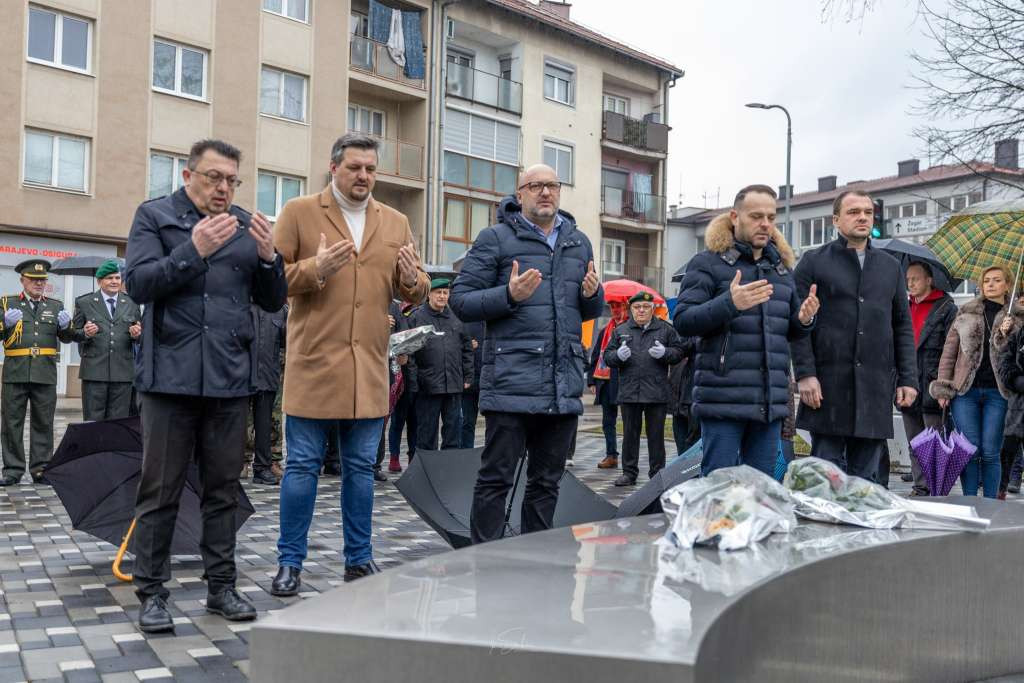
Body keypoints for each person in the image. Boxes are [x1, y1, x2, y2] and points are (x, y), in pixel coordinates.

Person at [125, 138, 287, 632]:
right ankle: (152, 592)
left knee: (223, 490)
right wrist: (192, 250)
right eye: (214, 177)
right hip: (169, 382)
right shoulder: (154, 218)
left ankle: (222, 587)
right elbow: (139, 283)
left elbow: (273, 299)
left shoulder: (244, 227)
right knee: (161, 493)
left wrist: (266, 259)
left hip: (228, 379)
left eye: (232, 180)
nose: (224, 188)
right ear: (187, 175)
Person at [270, 133, 428, 597]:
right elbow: (271, 284)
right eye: (355, 167)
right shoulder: (299, 212)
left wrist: (412, 281)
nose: (364, 176)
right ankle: (289, 562)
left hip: (368, 369)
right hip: (314, 364)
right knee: (301, 468)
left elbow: (413, 290)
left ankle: (359, 559)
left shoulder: (395, 221)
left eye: (371, 169)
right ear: (334, 167)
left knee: (361, 469)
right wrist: (314, 268)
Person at [449, 163, 603, 544]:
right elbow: (461, 301)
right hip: (512, 383)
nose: (545, 192)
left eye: (552, 185)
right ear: (520, 195)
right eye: (536, 186)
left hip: (561, 385)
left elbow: (585, 311)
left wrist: (592, 295)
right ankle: (484, 555)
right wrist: (508, 295)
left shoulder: (578, 242)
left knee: (547, 482)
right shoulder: (495, 239)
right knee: (496, 479)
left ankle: (536, 556)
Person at [676, 185, 818, 476]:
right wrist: (730, 303)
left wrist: (804, 320)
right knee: (719, 491)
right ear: (734, 217)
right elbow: (684, 320)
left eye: (770, 217)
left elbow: (790, 333)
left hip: (768, 403)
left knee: (761, 494)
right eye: (756, 216)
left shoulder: (781, 270)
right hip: (723, 402)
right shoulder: (707, 264)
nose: (765, 224)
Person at [792, 190, 916, 482]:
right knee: (825, 478)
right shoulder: (813, 262)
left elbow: (902, 325)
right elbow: (795, 325)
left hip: (874, 386)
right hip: (828, 386)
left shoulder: (890, 267)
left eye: (867, 212)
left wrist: (909, 379)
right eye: (853, 212)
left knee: (868, 481)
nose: (862, 217)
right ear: (836, 220)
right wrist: (805, 374)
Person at [930, 265, 1016, 498]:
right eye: (986, 280)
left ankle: (990, 503)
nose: (990, 284)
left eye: (997, 280)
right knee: (969, 449)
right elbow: (949, 352)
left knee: (990, 451)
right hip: (965, 392)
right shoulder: (965, 313)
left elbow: (1016, 357)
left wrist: (1009, 332)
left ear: (1007, 285)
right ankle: (970, 501)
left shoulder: (1016, 318)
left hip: (998, 393)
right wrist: (943, 387)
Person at [0, 259, 75, 486]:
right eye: (34, 280)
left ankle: (41, 468)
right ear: (23, 280)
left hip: (45, 372)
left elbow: (67, 338)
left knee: (43, 422)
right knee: (12, 423)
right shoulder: (7, 303)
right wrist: (4, 323)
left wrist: (67, 327)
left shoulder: (56, 305)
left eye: (42, 280)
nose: (39, 283)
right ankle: (12, 470)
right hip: (16, 371)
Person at [603, 291, 683, 486]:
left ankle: (657, 474)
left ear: (653, 309)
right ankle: (629, 473)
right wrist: (617, 357)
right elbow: (607, 356)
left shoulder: (665, 330)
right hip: (630, 391)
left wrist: (665, 353)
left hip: (656, 392)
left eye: (645, 307)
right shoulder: (621, 330)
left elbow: (679, 352)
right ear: (631, 309)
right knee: (630, 435)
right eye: (637, 307)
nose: (641, 311)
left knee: (656, 436)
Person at [899, 262, 957, 495]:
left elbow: (952, 349)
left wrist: (945, 386)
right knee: (914, 439)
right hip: (907, 381)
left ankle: (936, 486)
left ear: (929, 280)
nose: (910, 283)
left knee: (933, 438)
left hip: (932, 382)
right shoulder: (904, 306)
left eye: (915, 279)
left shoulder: (945, 307)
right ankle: (920, 485)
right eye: (908, 279)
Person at [71, 260, 142, 422]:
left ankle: (115, 449)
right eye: (109, 278)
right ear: (99, 281)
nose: (114, 282)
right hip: (94, 372)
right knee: (92, 420)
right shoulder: (84, 302)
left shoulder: (132, 302)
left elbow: (140, 336)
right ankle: (93, 448)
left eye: (117, 278)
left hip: (123, 373)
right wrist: (85, 334)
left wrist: (137, 335)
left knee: (119, 421)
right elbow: (73, 333)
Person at [406, 278, 473, 451]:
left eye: (445, 293)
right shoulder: (417, 317)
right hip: (427, 385)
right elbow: (410, 353)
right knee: (426, 434)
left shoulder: (456, 318)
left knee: (453, 433)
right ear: (429, 294)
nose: (442, 296)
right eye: (438, 292)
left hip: (453, 384)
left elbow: (466, 348)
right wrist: (414, 382)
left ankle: (448, 472)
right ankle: (426, 470)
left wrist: (468, 375)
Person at [247, 303, 287, 485]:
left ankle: (262, 467)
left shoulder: (279, 310)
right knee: (234, 424)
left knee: (264, 425)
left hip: (267, 375)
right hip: (239, 376)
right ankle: (231, 465)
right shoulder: (239, 304)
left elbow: (289, 338)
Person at [587, 300, 628, 469]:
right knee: (607, 421)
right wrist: (591, 380)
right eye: (612, 307)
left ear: (625, 307)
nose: (615, 310)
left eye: (619, 306)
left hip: (626, 380)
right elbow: (596, 355)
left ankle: (629, 458)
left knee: (629, 422)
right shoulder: (605, 331)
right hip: (605, 381)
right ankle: (611, 455)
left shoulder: (630, 328)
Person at [388, 301, 418, 471]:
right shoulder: (398, 310)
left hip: (416, 377)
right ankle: (394, 457)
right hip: (400, 374)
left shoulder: (418, 314)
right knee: (398, 420)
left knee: (414, 421)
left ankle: (413, 456)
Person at [667, 335, 700, 456]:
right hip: (679, 399)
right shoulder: (678, 332)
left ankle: (693, 473)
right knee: (681, 444)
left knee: (693, 443)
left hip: (695, 398)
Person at [461, 319, 485, 448]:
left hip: (490, 380)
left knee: (494, 423)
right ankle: (466, 453)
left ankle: (491, 455)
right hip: (469, 380)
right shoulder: (465, 319)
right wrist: (465, 346)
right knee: (467, 422)